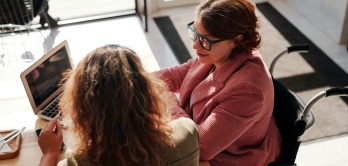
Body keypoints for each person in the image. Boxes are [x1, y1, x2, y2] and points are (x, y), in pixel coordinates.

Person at [154, 0, 282, 165]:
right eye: (195, 33)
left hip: (228, 158)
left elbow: (199, 148)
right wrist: (136, 79)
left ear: (236, 40)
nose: (195, 45)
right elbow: (178, 74)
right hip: (202, 139)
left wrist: (170, 104)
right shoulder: (217, 52)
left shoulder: (248, 90)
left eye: (204, 40)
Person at [37, 45, 200, 166]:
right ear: (148, 92)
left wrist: (49, 154)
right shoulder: (187, 133)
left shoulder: (78, 161)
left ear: (84, 106)